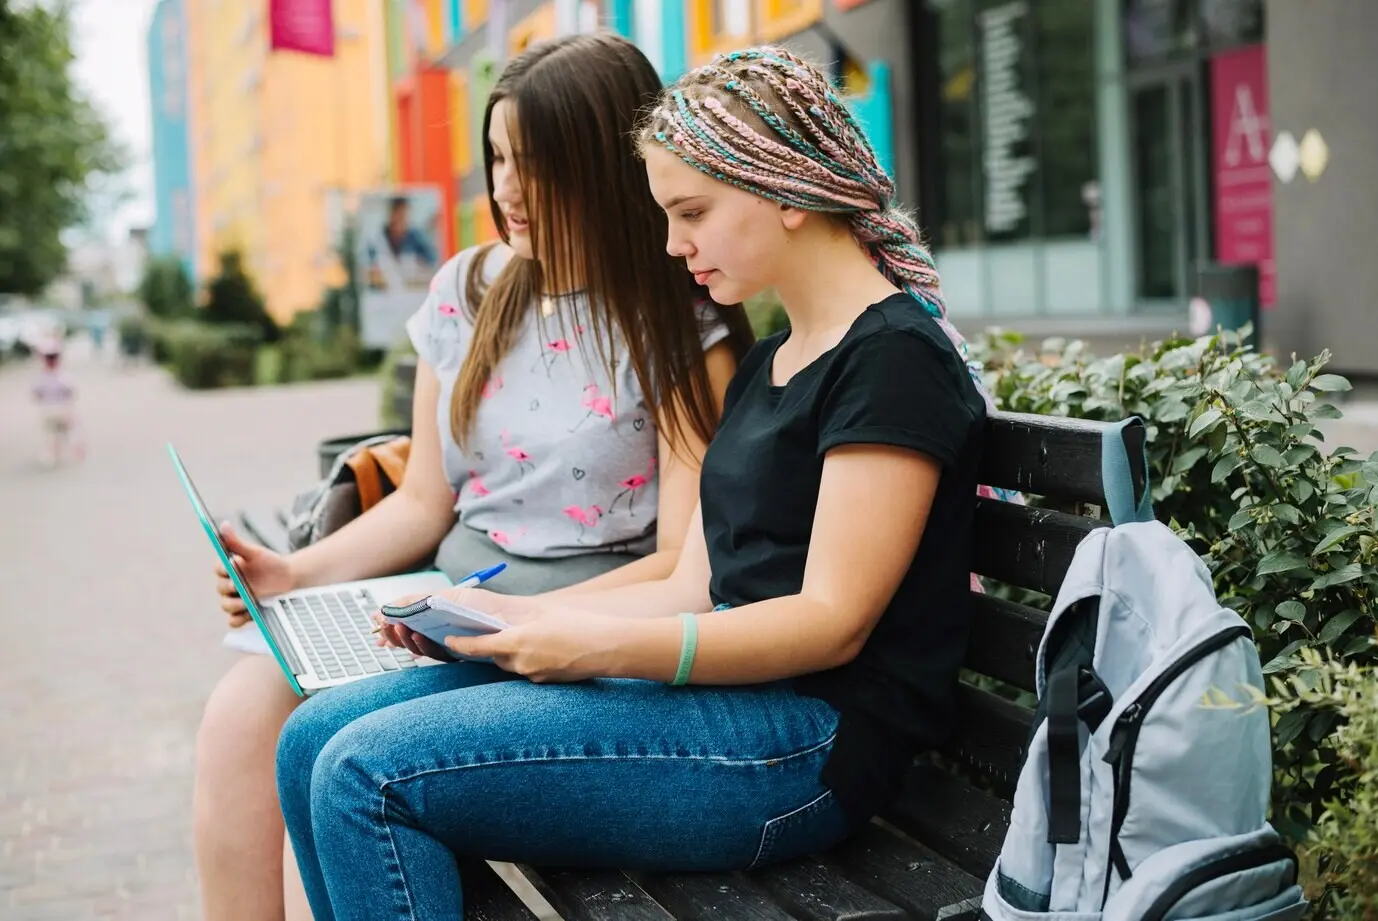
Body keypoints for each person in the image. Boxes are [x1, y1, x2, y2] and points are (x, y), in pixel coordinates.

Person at [274, 45, 1002, 921]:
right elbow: (694, 583)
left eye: (692, 211)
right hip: (728, 703)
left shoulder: (891, 361)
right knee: (308, 737)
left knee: (365, 775)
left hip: (804, 747)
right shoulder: (776, 360)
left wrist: (593, 647)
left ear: (787, 189)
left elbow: (831, 623)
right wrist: (509, 622)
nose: (671, 243)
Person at [191, 33, 753, 921]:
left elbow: (684, 561)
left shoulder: (679, 324)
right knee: (238, 714)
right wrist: (293, 574)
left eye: (536, 164)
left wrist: (519, 620)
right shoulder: (468, 289)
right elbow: (424, 499)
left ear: (609, 167)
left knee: (335, 748)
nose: (507, 189)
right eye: (496, 157)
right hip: (444, 597)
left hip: (578, 623)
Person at [364, 196, 440, 291]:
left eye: (404, 215)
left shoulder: (417, 237)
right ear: (390, 214)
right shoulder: (376, 239)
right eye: (397, 213)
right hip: (384, 294)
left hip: (412, 291)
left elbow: (433, 262)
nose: (400, 219)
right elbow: (367, 270)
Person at [31, 340, 84, 466]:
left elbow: (36, 393)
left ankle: (52, 454)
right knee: (71, 429)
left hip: (47, 409)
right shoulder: (63, 375)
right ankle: (74, 449)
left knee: (51, 433)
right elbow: (71, 391)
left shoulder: (40, 376)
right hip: (63, 408)